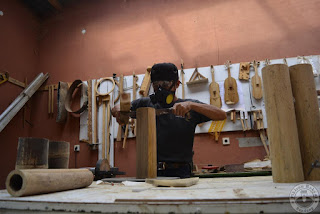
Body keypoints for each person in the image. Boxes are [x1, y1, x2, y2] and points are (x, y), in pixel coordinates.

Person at [112, 62, 226, 178]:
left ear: (176, 84)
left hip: (181, 172)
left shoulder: (188, 107)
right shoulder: (145, 103)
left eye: (165, 84)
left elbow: (221, 115)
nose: (160, 89)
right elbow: (116, 109)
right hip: (150, 170)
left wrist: (192, 105)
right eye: (156, 85)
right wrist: (119, 109)